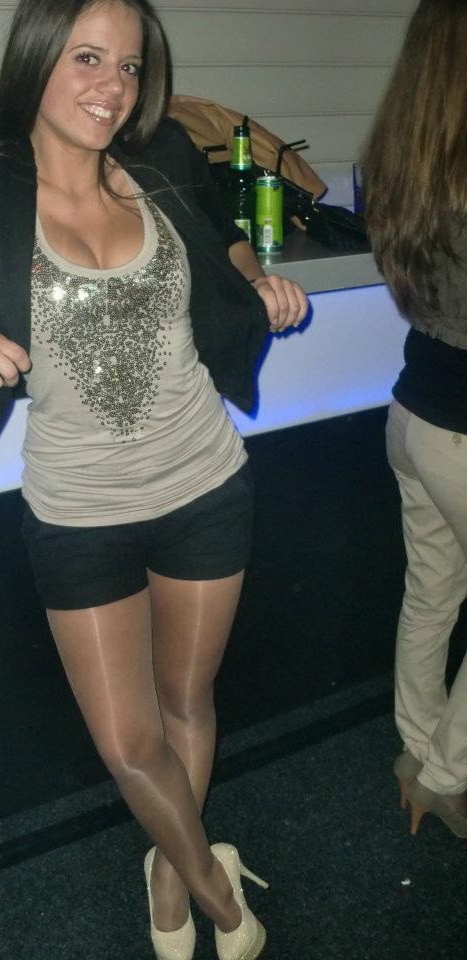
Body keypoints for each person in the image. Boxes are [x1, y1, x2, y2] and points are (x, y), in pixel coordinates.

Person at [0, 0, 308, 955]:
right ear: (37, 62)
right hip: (78, 508)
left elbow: (222, 233)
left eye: (128, 66)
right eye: (88, 58)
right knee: (129, 744)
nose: (112, 87)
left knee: (188, 704)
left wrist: (252, 279)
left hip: (205, 483)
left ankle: (169, 878)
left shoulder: (163, 157)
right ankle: (220, 894)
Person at [360, 0, 467, 839]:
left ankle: (419, 753)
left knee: (431, 593)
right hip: (461, 430)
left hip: (413, 412)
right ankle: (446, 770)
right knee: (433, 593)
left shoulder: (393, 155)